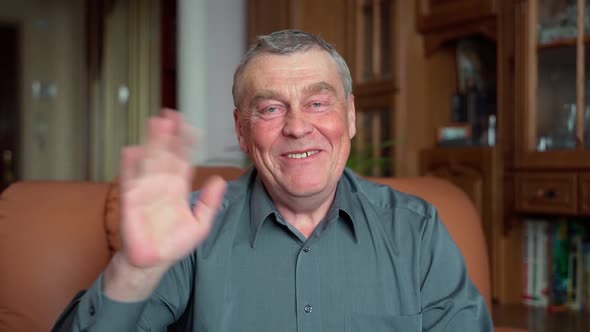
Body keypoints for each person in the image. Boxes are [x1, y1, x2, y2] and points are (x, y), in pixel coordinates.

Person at [54, 29, 493, 331]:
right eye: (270, 109)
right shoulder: (184, 231)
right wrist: (134, 270)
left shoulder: (416, 230)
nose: (298, 127)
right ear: (242, 130)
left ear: (351, 116)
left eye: (318, 102)